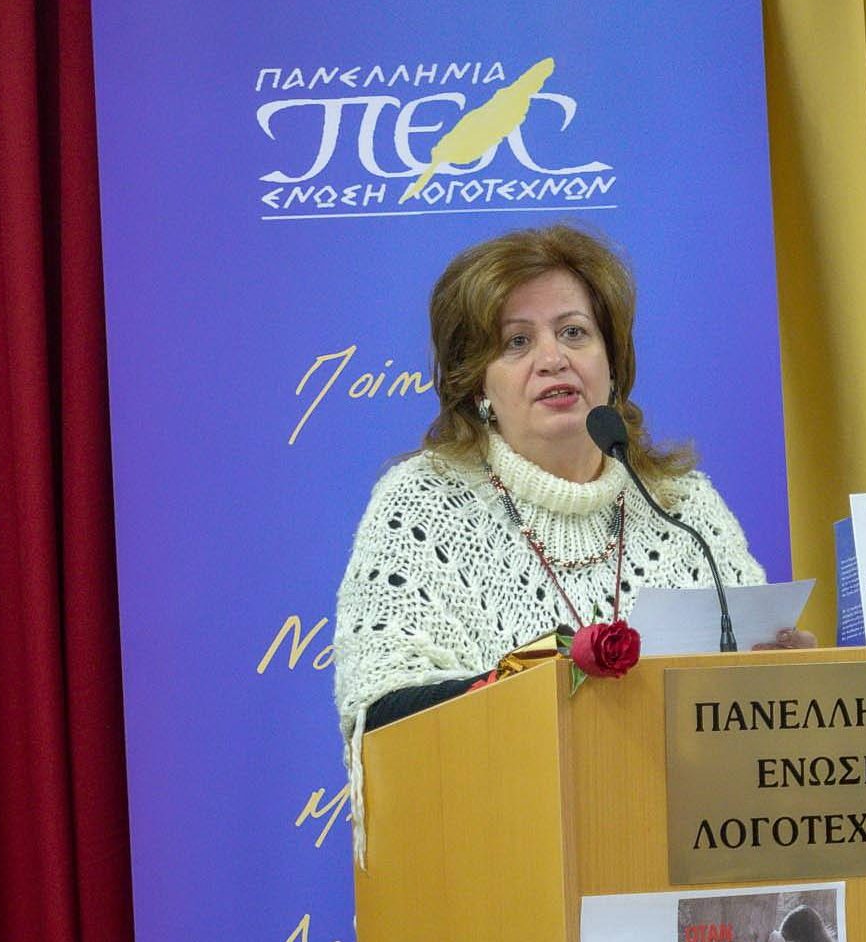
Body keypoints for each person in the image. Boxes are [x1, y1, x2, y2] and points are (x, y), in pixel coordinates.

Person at [333, 225, 809, 761]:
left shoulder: (683, 507)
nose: (553, 358)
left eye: (574, 332)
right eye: (517, 342)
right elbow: (383, 714)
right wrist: (547, 682)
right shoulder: (424, 503)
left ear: (612, 364)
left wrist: (787, 679)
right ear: (477, 384)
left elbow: (751, 704)